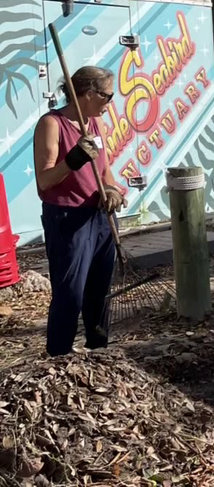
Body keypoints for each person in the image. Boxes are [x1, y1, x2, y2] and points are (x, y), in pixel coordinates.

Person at [33, 66, 126, 357]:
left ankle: (98, 349)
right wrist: (73, 159)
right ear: (88, 94)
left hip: (99, 217)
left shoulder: (95, 124)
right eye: (108, 96)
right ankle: (59, 356)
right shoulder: (52, 124)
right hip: (68, 219)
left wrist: (112, 191)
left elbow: (105, 172)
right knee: (70, 293)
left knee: (99, 291)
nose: (110, 103)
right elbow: (45, 181)